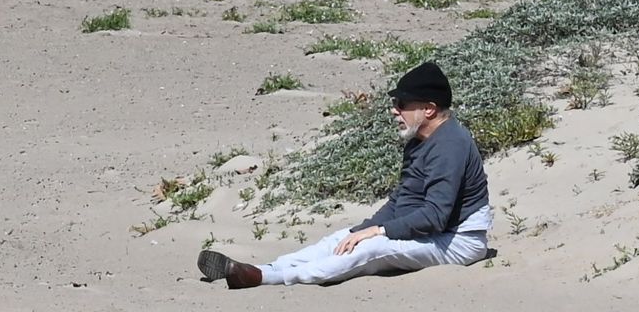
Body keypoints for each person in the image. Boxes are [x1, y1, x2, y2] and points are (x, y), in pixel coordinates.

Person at [196, 61, 492, 290]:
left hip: (458, 241)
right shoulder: (419, 141)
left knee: (372, 249)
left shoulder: (450, 145)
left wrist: (378, 232)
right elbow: (401, 201)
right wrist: (363, 229)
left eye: (402, 104)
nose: (394, 110)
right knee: (343, 238)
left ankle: (267, 279)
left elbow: (435, 216)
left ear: (429, 109)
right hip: (433, 231)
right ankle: (261, 268)